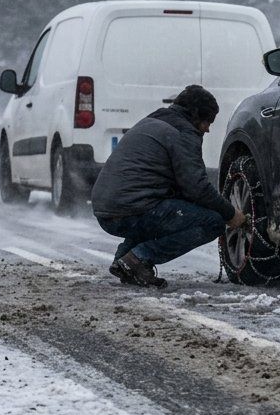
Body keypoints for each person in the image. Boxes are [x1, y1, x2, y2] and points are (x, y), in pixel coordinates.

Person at [91, 84, 246, 288]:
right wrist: (230, 214)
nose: (208, 128)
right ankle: (139, 258)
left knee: (168, 213)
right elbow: (197, 187)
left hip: (106, 210)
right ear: (195, 115)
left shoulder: (152, 120)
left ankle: (124, 260)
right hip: (132, 210)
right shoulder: (184, 132)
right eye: (208, 121)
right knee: (212, 222)